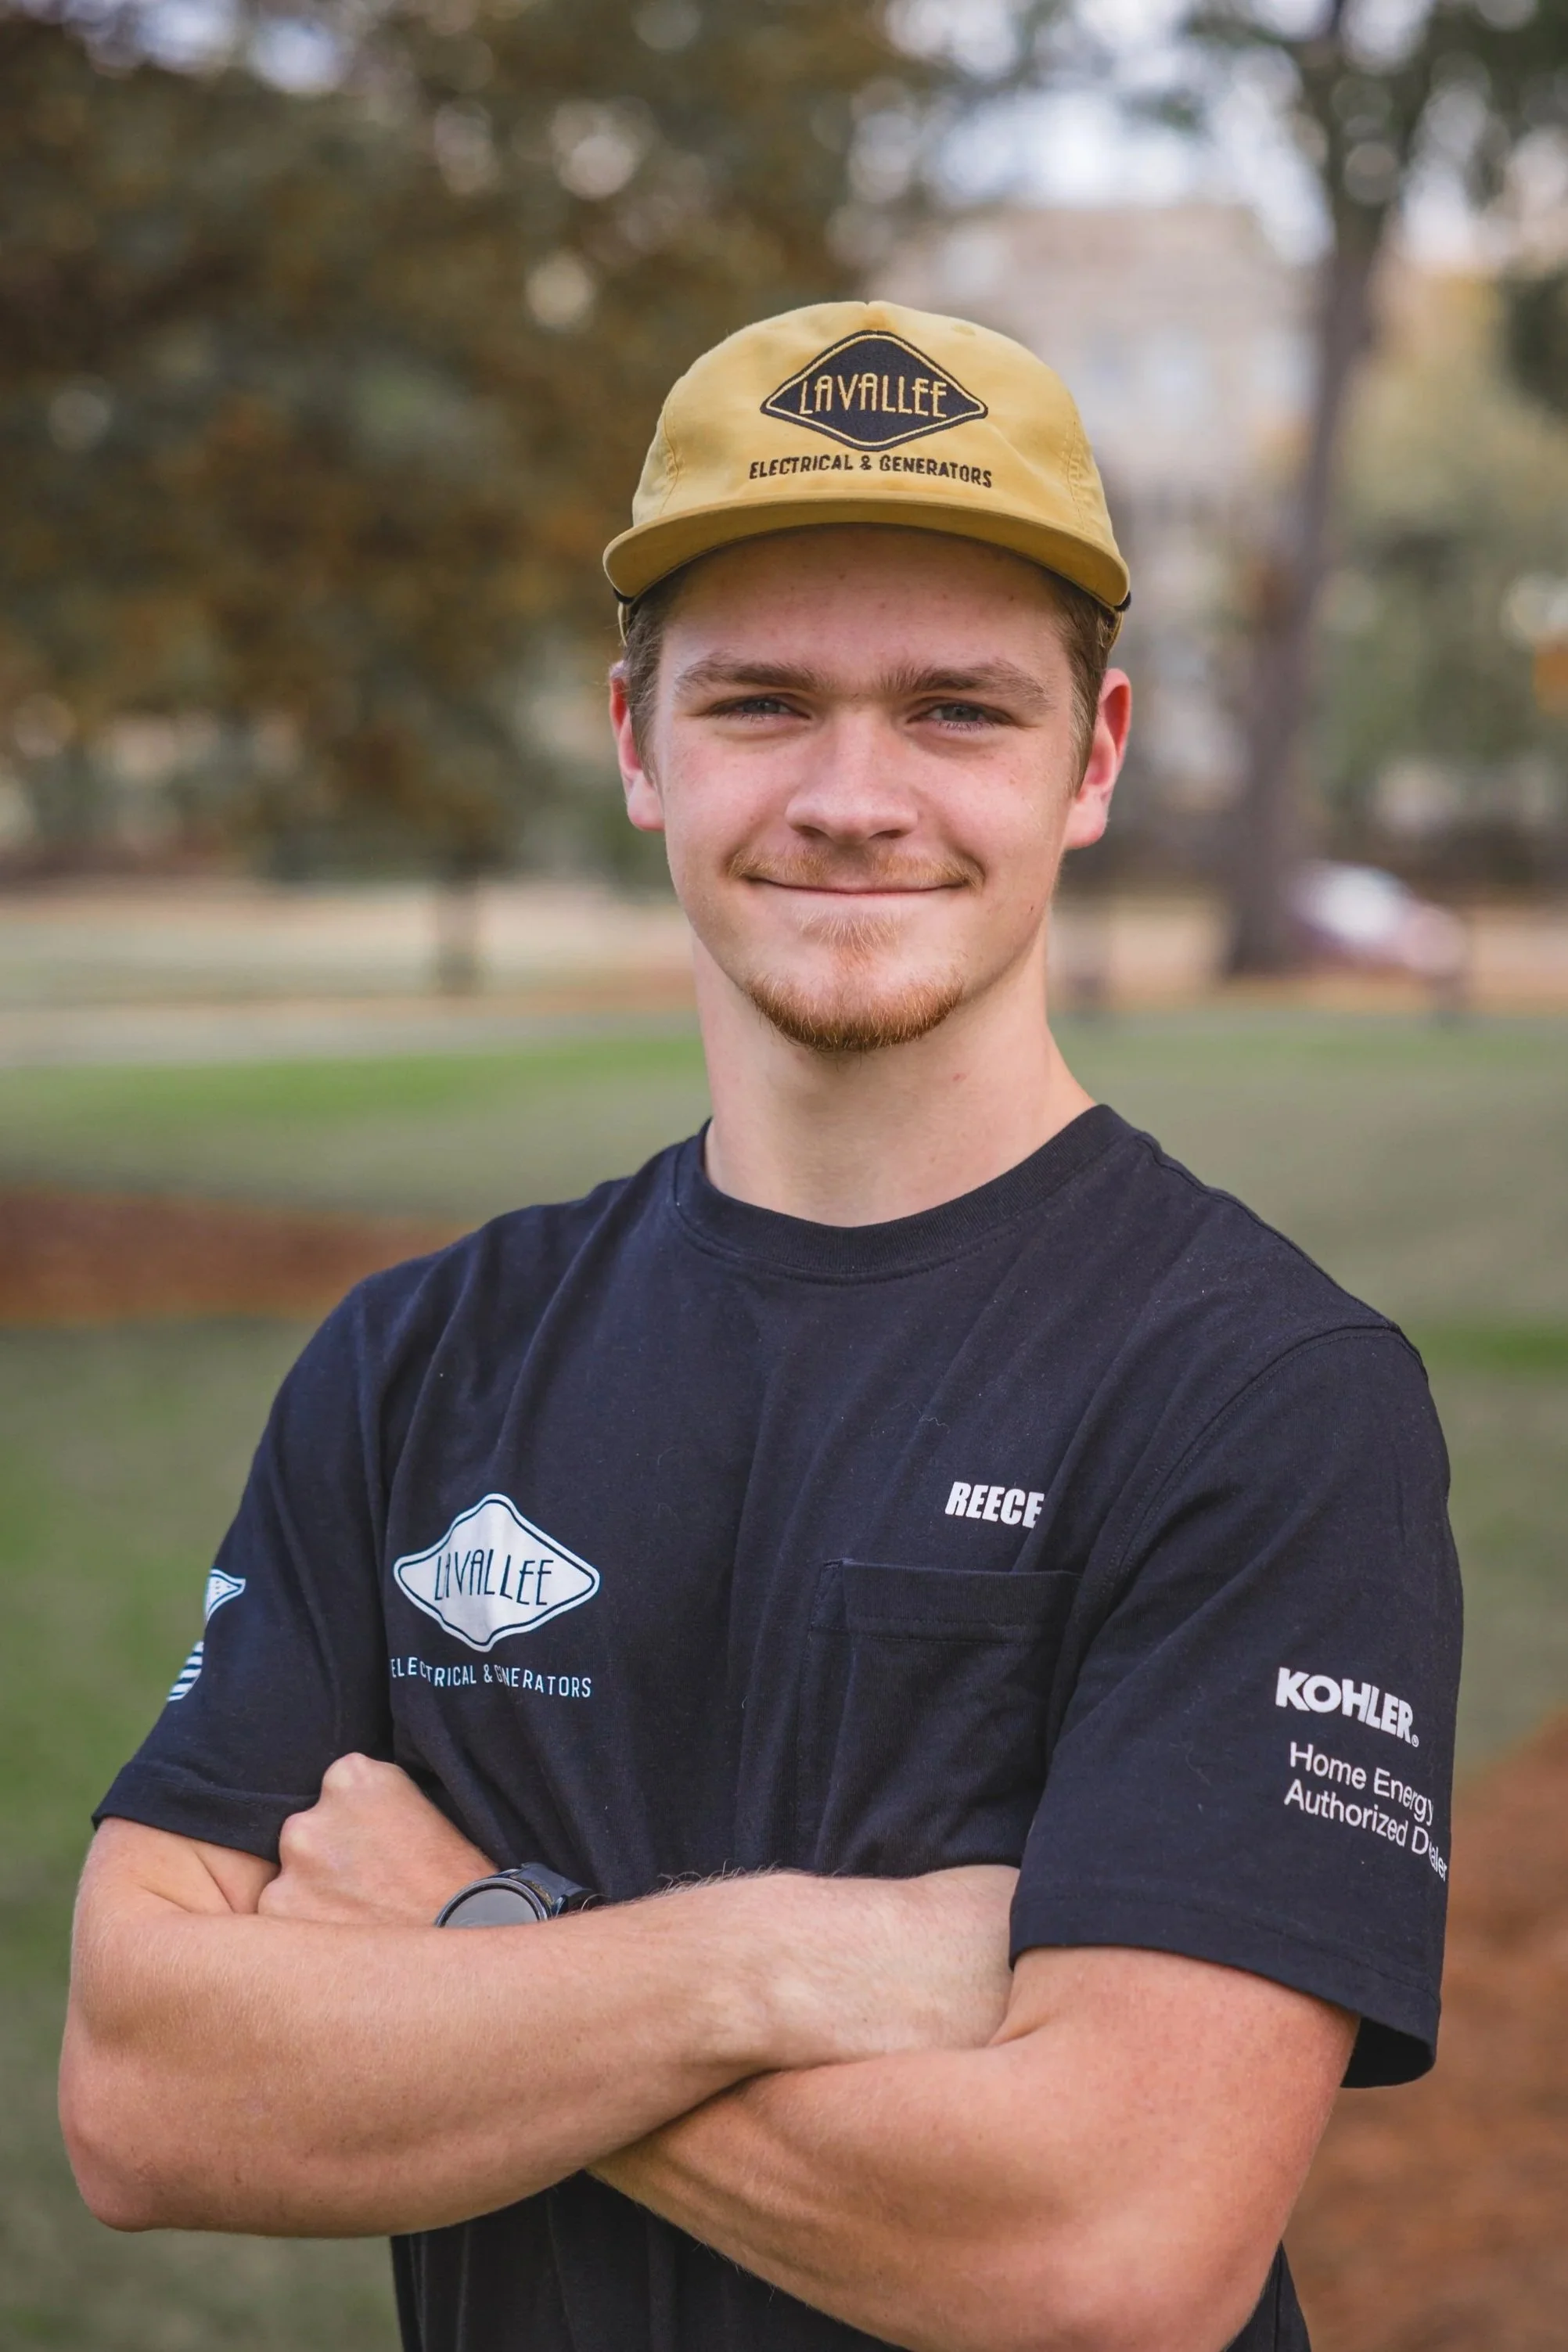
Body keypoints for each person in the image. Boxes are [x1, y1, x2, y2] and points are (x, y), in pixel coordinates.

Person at [62, 300, 1461, 2352]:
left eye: (955, 709)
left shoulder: (1261, 1394)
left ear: (1095, 757)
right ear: (639, 743)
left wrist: (467, 1943)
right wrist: (767, 1959)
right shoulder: (420, 1355)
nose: (852, 793)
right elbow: (144, 2091)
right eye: (763, 702)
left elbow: (1105, 2251)